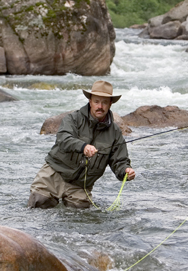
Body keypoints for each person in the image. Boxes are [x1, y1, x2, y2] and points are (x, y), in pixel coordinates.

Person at [28, 80, 135, 209]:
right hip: (54, 174)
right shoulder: (73, 119)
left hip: (80, 186)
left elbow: (120, 161)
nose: (100, 106)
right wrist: (83, 147)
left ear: (110, 104)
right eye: (96, 101)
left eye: (104, 102)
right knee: (38, 207)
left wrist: (125, 171)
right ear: (90, 101)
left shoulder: (115, 132)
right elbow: (63, 138)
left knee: (80, 218)